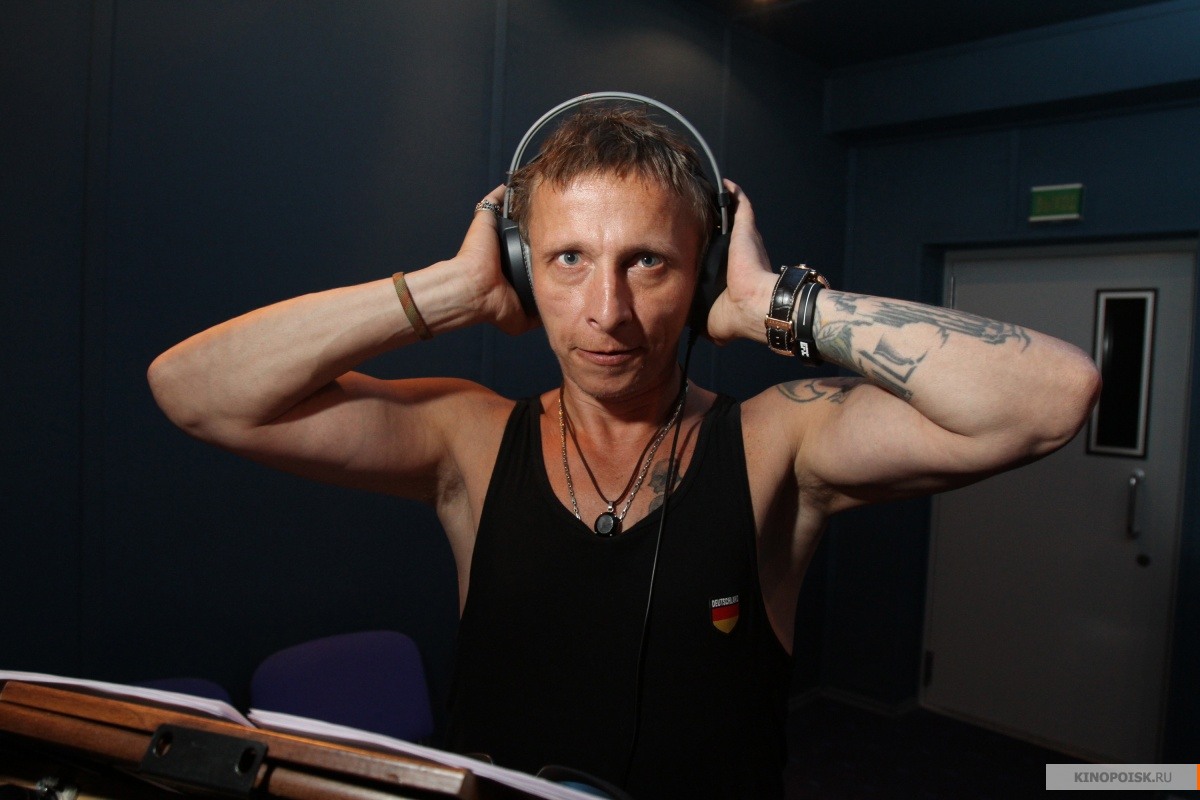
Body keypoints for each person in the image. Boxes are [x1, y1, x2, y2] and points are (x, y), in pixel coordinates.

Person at [147, 104, 1100, 798]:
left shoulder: (780, 443)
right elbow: (196, 393)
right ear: (522, 266)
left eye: (648, 260)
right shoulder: (467, 439)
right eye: (567, 259)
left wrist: (774, 304)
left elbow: (1050, 399)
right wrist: (450, 290)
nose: (607, 312)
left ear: (701, 275)